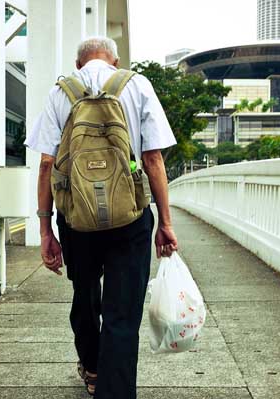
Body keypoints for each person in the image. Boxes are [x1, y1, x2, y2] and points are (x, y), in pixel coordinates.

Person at [25, 36, 178, 399]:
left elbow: (47, 163)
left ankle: (92, 368)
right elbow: (153, 160)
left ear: (79, 65)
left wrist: (46, 230)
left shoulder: (62, 91)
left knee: (85, 294)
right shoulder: (137, 85)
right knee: (122, 315)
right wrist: (166, 223)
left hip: (76, 220)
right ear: (116, 61)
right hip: (130, 218)